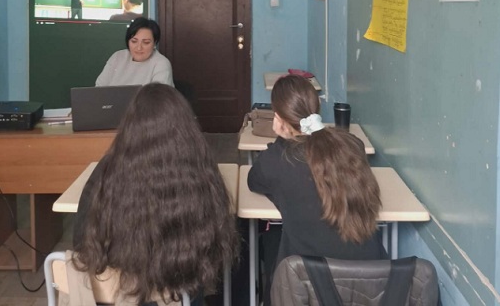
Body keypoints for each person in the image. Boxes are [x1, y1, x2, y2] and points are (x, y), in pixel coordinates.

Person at [72, 83, 239, 305]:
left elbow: (81, 240)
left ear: (130, 127)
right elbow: (214, 243)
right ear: (186, 128)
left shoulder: (107, 171)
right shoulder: (200, 171)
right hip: (178, 294)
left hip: (119, 297)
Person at [248, 74, 385, 305]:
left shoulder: (277, 161)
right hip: (369, 289)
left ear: (279, 118)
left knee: (272, 241)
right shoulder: (353, 145)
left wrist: (282, 141)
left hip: (307, 290)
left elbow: (254, 180)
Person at [96, 17, 174, 87]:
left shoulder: (161, 64)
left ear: (154, 43)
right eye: (134, 41)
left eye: (146, 42)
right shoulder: (117, 57)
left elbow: (159, 96)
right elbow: (99, 88)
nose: (139, 48)